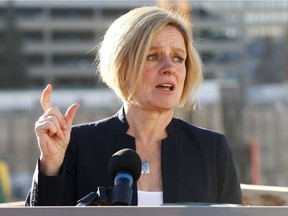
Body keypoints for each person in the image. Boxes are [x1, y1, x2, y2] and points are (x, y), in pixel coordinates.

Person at [25, 6, 242, 206]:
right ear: (122, 68)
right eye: (153, 56)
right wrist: (51, 164)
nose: (169, 68)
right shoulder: (77, 145)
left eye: (178, 58)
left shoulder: (211, 149)